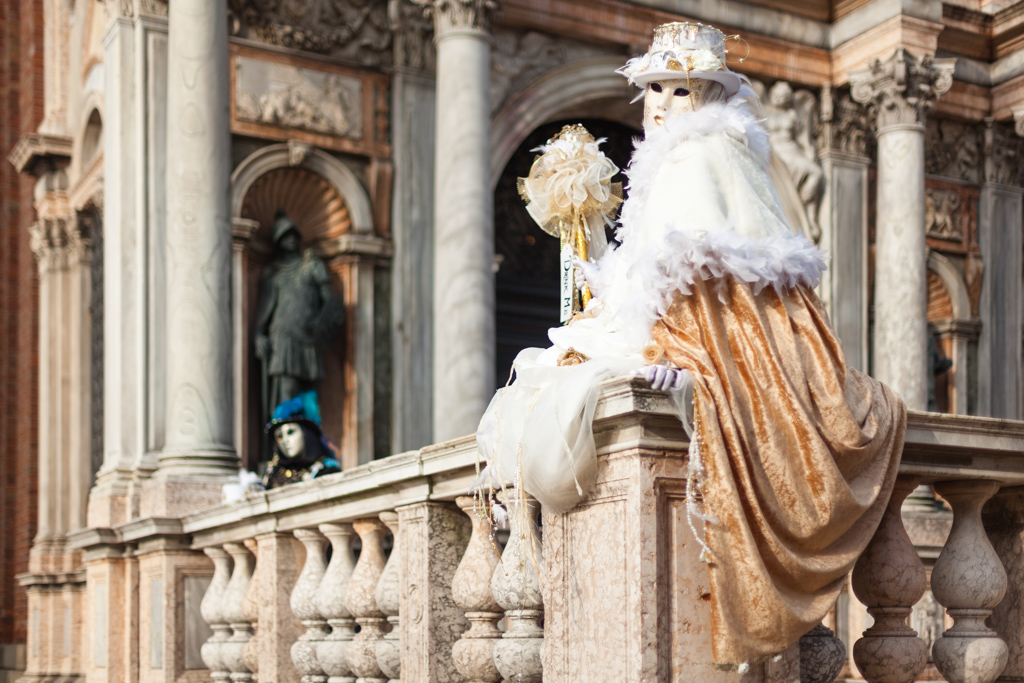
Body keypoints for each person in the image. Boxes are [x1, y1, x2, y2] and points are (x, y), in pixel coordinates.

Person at [478, 21, 905, 669]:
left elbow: (704, 284)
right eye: (655, 88)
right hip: (687, 322)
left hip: (703, 329)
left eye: (682, 91)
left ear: (707, 97)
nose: (662, 104)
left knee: (558, 385)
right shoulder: (707, 157)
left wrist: (664, 340)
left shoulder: (697, 156)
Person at [254, 209, 343, 426]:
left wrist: (322, 322)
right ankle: (285, 438)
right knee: (287, 389)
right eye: (286, 236)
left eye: (294, 235)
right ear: (278, 242)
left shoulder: (312, 267)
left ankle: (310, 439)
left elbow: (330, 302)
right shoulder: (274, 275)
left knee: (310, 393)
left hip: (309, 338)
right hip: (283, 337)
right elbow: (266, 310)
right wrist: (258, 334)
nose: (291, 240)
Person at [263, 391, 341, 489]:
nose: (285, 441)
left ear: (306, 434)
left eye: (290, 432)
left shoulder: (326, 471)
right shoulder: (272, 476)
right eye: (280, 436)